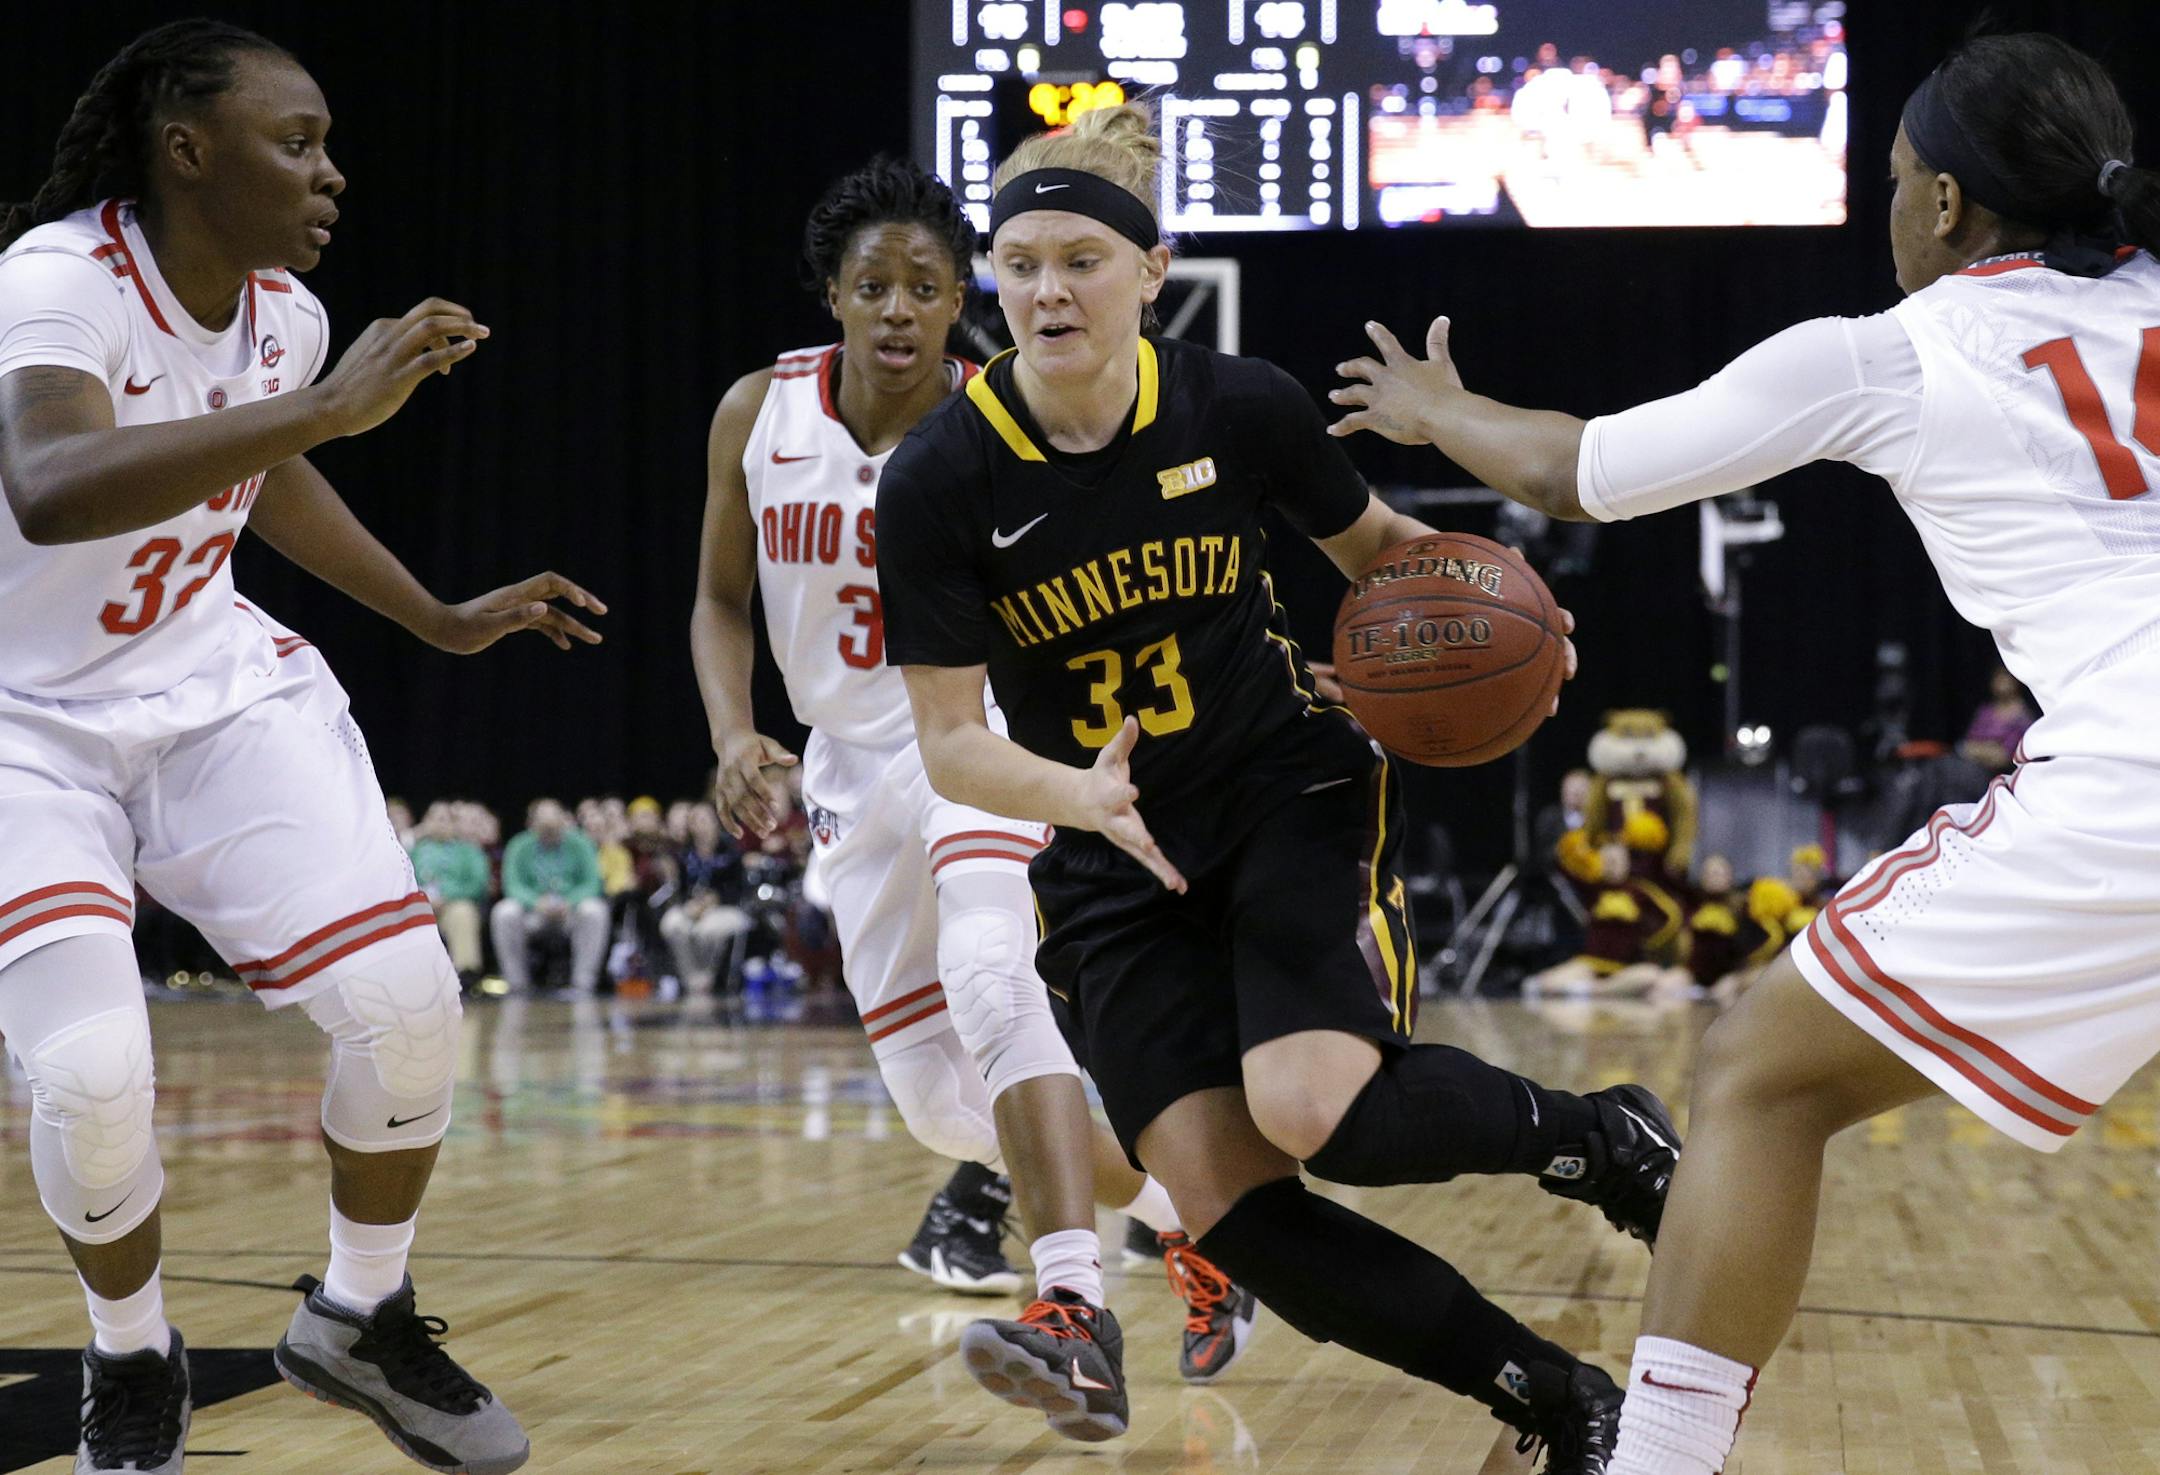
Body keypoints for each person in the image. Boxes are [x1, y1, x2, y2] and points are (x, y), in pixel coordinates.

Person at [1328, 32, 2160, 1474]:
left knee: (1764, 1071)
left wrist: (1430, 410)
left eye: (1892, 182)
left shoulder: (1895, 350)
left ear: (1946, 205)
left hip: (2136, 774)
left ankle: (1655, 1461)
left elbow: (1577, 470)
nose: (1888, 210)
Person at [875, 101, 1681, 1470]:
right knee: (1226, 1203)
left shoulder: (1237, 404)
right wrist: (1078, 795)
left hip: (1281, 787)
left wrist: (1512, 614)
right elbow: (953, 741)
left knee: (1316, 1107)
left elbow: (1380, 550)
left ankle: (1605, 1138)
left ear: (1152, 268)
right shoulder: (941, 475)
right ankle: (1560, 1398)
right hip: (1110, 852)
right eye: (1019, 264)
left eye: (1080, 260)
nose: (1047, 291)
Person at [0, 20, 604, 1475]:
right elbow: (49, 482)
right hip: (22, 723)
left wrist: (436, 616)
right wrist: (323, 410)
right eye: (297, 143)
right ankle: (131, 1352)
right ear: (185, 150)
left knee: (408, 999)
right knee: (92, 1072)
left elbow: (265, 470)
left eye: (328, 144)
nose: (331, 173)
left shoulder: (285, 316)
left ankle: (359, 1311)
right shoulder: (59, 279)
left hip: (207, 685)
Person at [691, 155, 1251, 1403]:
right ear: (833, 296)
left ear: (962, 301)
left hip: (978, 729)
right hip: (847, 761)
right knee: (946, 1107)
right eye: (871, 286)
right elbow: (719, 600)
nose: (897, 308)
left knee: (995, 973)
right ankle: (1197, 1221)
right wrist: (733, 732)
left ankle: (1072, 1304)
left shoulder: (1010, 419)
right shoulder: (757, 410)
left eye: (925, 287)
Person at [490, 798, 609, 994]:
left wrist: (570, 902)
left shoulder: (581, 843)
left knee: (595, 910)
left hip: (570, 913)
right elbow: (512, 885)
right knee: (504, 912)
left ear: (564, 820)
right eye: (544, 826)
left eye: (553, 826)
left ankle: (583, 984)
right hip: (533, 914)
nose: (549, 831)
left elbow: (592, 883)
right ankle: (517, 985)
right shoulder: (519, 845)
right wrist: (536, 902)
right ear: (532, 823)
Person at [658, 800, 749, 997]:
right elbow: (681, 889)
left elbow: (739, 889)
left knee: (707, 930)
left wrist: (715, 899)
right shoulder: (684, 854)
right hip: (693, 906)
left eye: (705, 819)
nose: (700, 824)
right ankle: (691, 978)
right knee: (672, 924)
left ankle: (708, 976)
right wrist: (690, 904)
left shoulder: (731, 851)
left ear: (716, 822)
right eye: (695, 820)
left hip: (725, 907)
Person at [410, 799, 492, 986]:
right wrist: (423, 899)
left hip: (452, 904)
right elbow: (400, 881)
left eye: (445, 819)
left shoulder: (469, 850)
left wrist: (447, 896)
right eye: (434, 818)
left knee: (462, 912)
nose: (439, 824)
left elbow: (478, 883)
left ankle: (466, 974)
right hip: (419, 906)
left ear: (454, 824)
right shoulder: (413, 850)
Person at [1958, 662, 2036, 773]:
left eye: (2005, 677)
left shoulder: (2024, 715)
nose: (2001, 682)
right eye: (1998, 677)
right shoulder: (1985, 712)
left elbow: (2006, 756)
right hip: (1976, 767)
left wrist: (1992, 752)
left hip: (2010, 771)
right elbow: (1968, 745)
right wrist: (1987, 749)